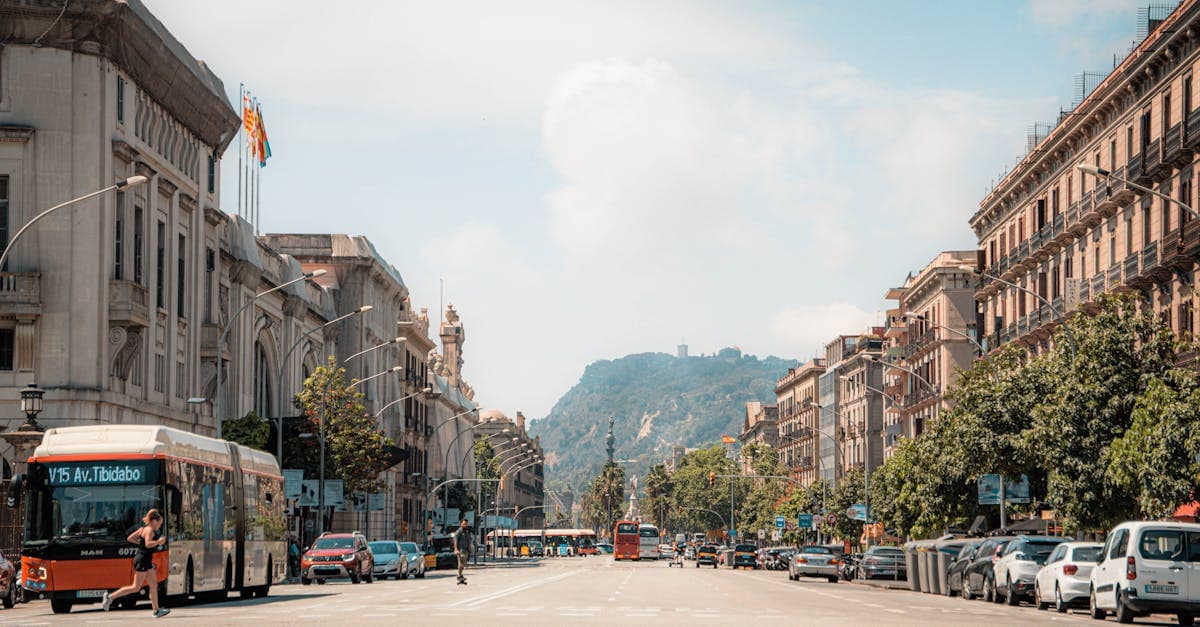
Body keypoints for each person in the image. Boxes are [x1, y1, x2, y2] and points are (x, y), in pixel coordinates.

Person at [103, 509, 169, 618]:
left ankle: (156, 610)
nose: (159, 526)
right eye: (159, 523)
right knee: (135, 587)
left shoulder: (142, 529)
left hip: (145, 560)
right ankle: (110, 597)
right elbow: (148, 544)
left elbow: (130, 538)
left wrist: (140, 543)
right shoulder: (150, 531)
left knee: (153, 585)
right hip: (142, 560)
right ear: (153, 521)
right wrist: (158, 542)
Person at [453, 518, 472, 585]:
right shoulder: (459, 531)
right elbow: (455, 541)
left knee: (463, 564)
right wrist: (456, 549)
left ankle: (460, 575)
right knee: (461, 564)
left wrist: (470, 550)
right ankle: (459, 575)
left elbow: (469, 541)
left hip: (466, 550)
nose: (465, 525)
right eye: (464, 524)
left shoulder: (466, 531)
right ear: (461, 524)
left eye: (466, 524)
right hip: (460, 550)